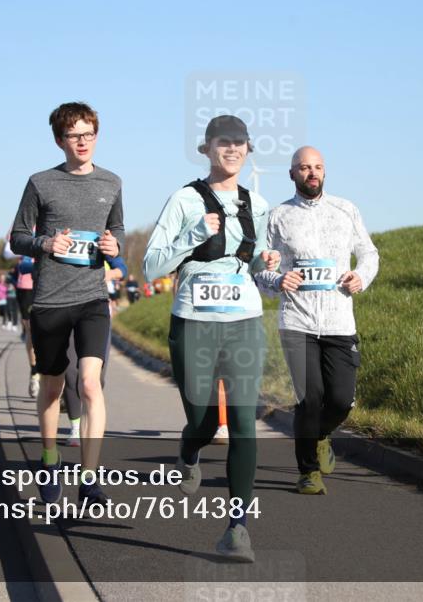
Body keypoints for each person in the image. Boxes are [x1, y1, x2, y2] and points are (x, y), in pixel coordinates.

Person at [143, 115, 278, 563]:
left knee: (242, 423)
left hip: (244, 322)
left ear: (248, 149)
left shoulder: (257, 204)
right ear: (206, 149)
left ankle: (237, 529)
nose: (233, 149)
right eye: (224, 142)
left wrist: (266, 263)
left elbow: (254, 263)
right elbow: (151, 266)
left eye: (240, 143)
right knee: (203, 422)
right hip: (194, 322)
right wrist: (196, 233)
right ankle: (189, 448)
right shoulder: (184, 200)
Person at [10, 101, 124, 507]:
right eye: (74, 136)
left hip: (92, 297)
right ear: (59, 140)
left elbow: (117, 230)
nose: (82, 142)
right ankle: (49, 460)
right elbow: (18, 237)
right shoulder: (40, 183)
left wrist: (114, 246)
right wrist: (45, 243)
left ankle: (90, 479)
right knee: (54, 386)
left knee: (90, 383)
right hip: (50, 301)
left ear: (97, 135)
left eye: (88, 134)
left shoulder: (111, 182)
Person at [256, 146, 379, 495]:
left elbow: (368, 253)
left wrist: (360, 277)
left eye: (318, 167)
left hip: (339, 321)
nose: (312, 173)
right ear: (292, 174)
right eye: (304, 167)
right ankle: (308, 472)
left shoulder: (345, 210)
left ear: (325, 172)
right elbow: (260, 269)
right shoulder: (277, 216)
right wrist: (278, 279)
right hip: (297, 320)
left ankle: (321, 435)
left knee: (340, 401)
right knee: (310, 399)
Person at [62, 254, 125, 447]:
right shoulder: (63, 242)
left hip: (96, 314)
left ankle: (90, 420)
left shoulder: (100, 243)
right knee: (71, 373)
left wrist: (104, 274)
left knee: (95, 380)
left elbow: (121, 268)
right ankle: (75, 426)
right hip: (65, 309)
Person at [3, 240, 40, 397]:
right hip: (26, 286)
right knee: (31, 330)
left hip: (50, 281)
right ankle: (34, 372)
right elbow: (7, 252)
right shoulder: (27, 224)